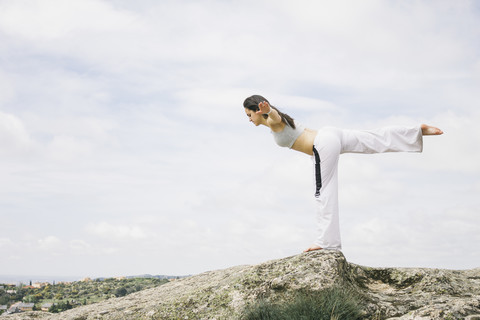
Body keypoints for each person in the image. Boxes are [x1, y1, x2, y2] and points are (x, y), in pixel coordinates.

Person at [243, 94, 443, 253]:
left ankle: (327, 242)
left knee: (324, 192)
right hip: (330, 134)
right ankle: (416, 131)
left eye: (249, 115)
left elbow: (274, 119)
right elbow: (277, 118)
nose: (249, 120)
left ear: (258, 111)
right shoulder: (278, 121)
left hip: (322, 144)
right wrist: (270, 112)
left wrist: (269, 111)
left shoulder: (273, 121)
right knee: (371, 139)